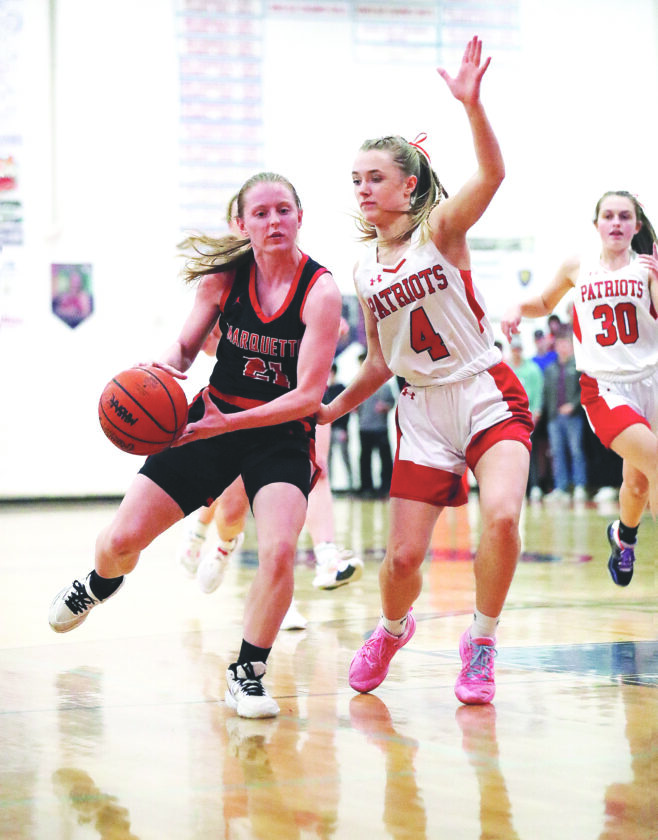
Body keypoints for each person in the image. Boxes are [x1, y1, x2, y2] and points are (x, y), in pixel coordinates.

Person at [48, 171, 343, 719]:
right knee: (121, 540)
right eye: (261, 213)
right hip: (210, 418)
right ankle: (98, 583)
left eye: (283, 210)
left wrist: (231, 424)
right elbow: (185, 348)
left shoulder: (320, 291)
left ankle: (247, 672)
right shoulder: (225, 277)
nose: (274, 221)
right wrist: (160, 370)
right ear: (242, 223)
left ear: (300, 217)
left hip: (279, 434)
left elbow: (307, 396)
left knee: (280, 550)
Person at [318, 37, 533, 705]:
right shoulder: (364, 269)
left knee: (502, 519)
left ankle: (482, 641)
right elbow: (381, 362)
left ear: (408, 184)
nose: (363, 188)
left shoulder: (439, 232)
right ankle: (392, 628)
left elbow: (493, 174)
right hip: (422, 411)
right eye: (356, 179)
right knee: (403, 560)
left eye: (375, 177)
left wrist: (472, 105)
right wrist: (328, 410)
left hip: (485, 390)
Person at [502, 190, 658, 586]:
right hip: (605, 388)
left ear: (637, 225)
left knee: (638, 483)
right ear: (597, 224)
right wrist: (517, 307)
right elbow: (543, 301)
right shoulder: (578, 266)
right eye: (609, 215)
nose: (617, 222)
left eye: (625, 216)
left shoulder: (648, 269)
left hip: (652, 381)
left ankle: (624, 537)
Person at [541, 327, 588, 503]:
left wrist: (573, 405)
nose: (563, 347)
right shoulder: (550, 369)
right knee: (556, 452)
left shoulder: (578, 366)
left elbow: (584, 389)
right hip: (554, 418)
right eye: (560, 344)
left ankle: (580, 485)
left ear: (571, 346)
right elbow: (546, 393)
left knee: (576, 451)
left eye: (566, 344)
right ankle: (561, 487)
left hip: (573, 416)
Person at [507, 333, 544, 500]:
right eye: (514, 349)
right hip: (510, 417)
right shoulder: (507, 368)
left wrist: (536, 411)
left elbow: (538, 391)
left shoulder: (532, 369)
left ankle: (534, 486)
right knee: (511, 453)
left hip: (528, 417)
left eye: (519, 349)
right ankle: (513, 487)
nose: (517, 352)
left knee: (530, 452)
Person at [355, 353, 395, 497]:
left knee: (385, 458)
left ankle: (386, 487)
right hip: (364, 427)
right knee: (365, 459)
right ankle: (366, 488)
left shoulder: (385, 385)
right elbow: (352, 406)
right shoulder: (357, 385)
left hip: (380, 427)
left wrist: (385, 407)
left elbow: (392, 402)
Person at [325, 362, 354, 490]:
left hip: (339, 428)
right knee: (327, 458)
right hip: (327, 429)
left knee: (345, 456)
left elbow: (346, 410)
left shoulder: (341, 388)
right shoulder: (325, 390)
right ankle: (328, 485)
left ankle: (351, 484)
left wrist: (344, 429)